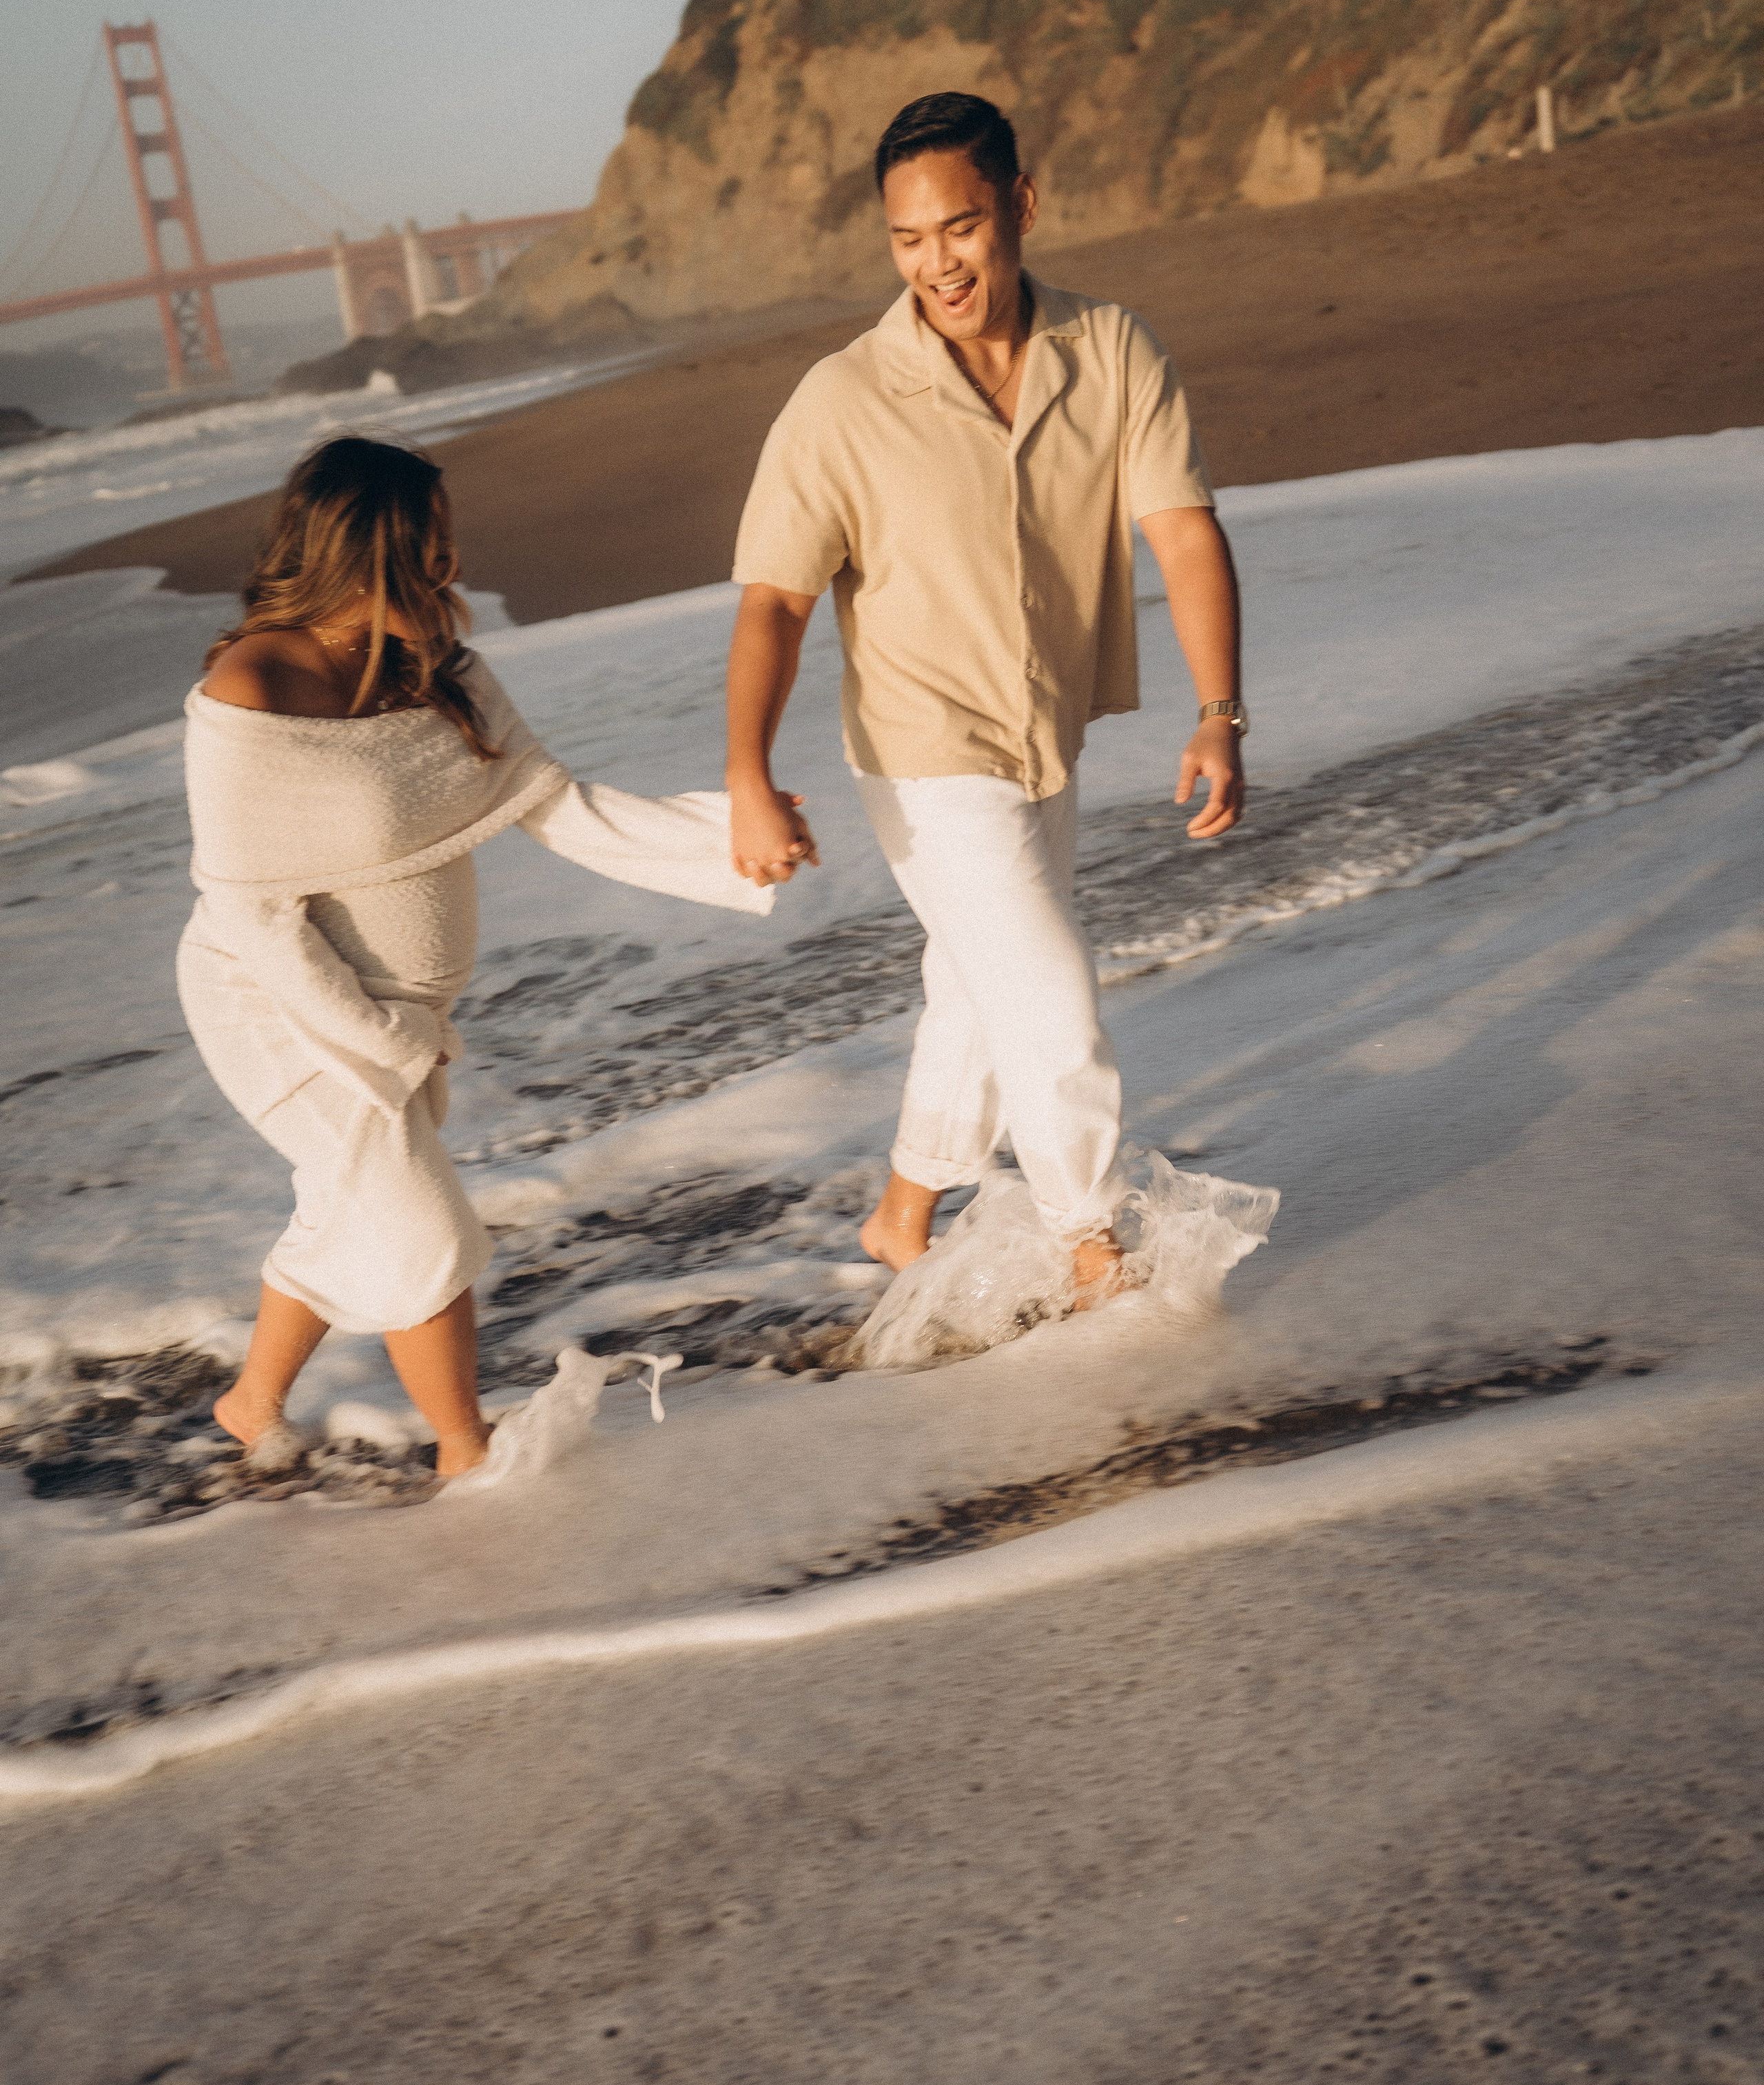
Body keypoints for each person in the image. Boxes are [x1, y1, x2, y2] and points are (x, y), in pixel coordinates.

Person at [725, 91, 1246, 1299]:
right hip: (920, 754)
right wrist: (749, 774)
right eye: (908, 240)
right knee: (1049, 994)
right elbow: (775, 604)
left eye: (960, 228)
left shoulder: (1111, 349)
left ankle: (902, 1214)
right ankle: (1092, 1246)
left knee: (976, 981)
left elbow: (1183, 532)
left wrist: (1220, 712)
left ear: (1020, 204)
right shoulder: (842, 401)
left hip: (1044, 728)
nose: (937, 264)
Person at [180, 434, 770, 1479]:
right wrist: (382, 1039)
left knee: (353, 1200)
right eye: (431, 544)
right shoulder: (251, 686)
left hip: (394, 1013)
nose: (451, 566)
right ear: (364, 554)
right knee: (420, 1226)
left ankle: (251, 1402)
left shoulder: (442, 673)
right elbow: (256, 917)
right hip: (277, 1002)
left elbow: (559, 806)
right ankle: (468, 1454)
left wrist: (736, 838)